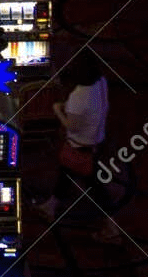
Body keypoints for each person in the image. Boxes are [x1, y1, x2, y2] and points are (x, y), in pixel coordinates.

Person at [31, 48, 122, 243]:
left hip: (81, 145)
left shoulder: (79, 96)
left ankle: (111, 228)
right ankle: (50, 205)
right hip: (96, 139)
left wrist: (57, 110)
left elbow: (71, 126)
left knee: (95, 189)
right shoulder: (101, 82)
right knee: (68, 174)